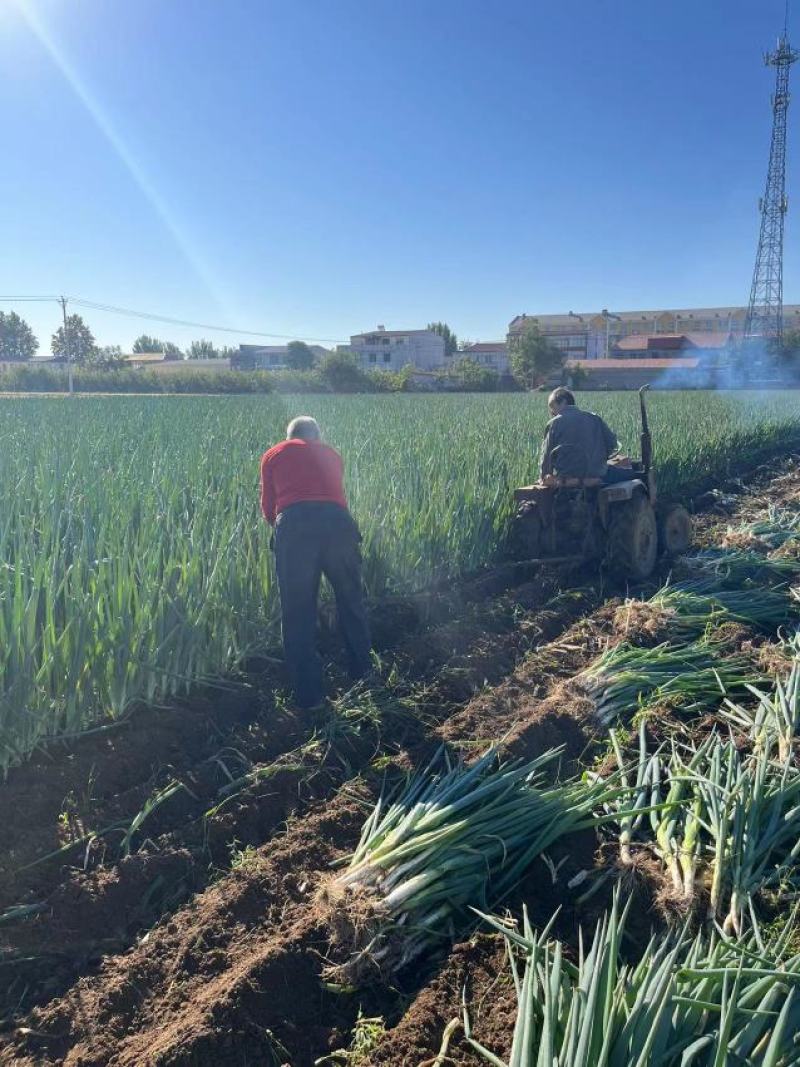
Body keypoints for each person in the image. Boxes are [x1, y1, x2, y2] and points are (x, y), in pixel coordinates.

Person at [260, 415, 372, 708]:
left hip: (295, 528)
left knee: (298, 614)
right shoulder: (332, 454)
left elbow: (269, 510)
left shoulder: (274, 454)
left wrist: (287, 532)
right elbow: (334, 495)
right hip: (339, 525)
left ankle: (311, 699)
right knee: (351, 602)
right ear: (317, 437)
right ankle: (365, 678)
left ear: (289, 437)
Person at [539, 387, 630, 484]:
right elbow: (612, 444)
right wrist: (600, 459)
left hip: (566, 477)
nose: (552, 412)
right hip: (597, 475)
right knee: (631, 474)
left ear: (563, 402)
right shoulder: (594, 418)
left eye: (552, 406)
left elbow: (546, 456)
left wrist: (544, 476)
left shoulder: (554, 423)